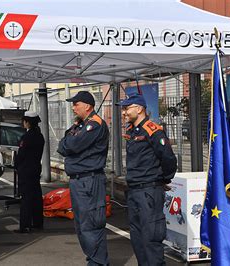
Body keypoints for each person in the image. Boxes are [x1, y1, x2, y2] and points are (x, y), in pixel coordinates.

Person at [117, 94, 177, 266]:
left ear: (139, 109)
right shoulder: (132, 131)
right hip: (134, 191)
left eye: (127, 108)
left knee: (151, 239)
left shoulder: (153, 130)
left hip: (149, 192)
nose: (124, 112)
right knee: (138, 240)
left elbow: (169, 159)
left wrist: (161, 179)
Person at [57, 91, 110, 265]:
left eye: (76, 104)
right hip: (79, 180)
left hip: (89, 180)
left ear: (87, 106)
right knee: (81, 225)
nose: (73, 108)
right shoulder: (81, 124)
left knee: (91, 224)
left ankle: (98, 262)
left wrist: (69, 144)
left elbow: (72, 145)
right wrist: (69, 142)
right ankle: (94, 259)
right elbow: (63, 144)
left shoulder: (94, 124)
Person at [14, 111, 45, 233]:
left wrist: (16, 165)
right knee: (36, 196)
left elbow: (21, 154)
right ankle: (38, 222)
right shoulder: (39, 136)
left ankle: (25, 225)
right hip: (36, 168)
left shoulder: (26, 137)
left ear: (27, 122)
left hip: (26, 170)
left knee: (26, 198)